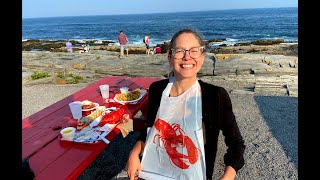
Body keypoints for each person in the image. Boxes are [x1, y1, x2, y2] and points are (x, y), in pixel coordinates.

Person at [126, 28, 245, 180]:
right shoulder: (157, 89)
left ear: (202, 57)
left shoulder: (216, 96)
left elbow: (236, 144)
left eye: (194, 51)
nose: (187, 57)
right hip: (148, 174)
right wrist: (134, 153)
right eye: (179, 51)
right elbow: (151, 131)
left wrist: (227, 177)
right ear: (170, 58)